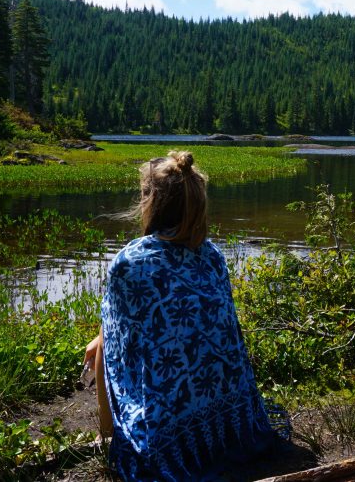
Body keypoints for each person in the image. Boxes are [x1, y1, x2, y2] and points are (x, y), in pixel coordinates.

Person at [83, 150, 282, 481]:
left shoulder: (132, 261)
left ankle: (110, 440)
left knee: (102, 349)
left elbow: (119, 335)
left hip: (165, 433)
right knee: (103, 339)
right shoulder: (212, 255)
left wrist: (101, 339)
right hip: (233, 420)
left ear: (151, 201)